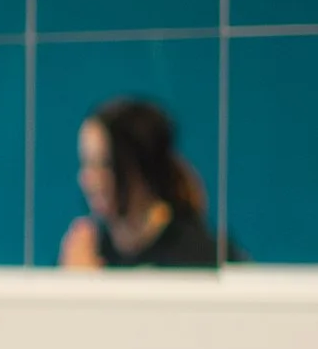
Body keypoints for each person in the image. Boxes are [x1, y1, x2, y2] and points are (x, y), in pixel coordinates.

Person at [58, 95, 230, 271]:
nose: (88, 180)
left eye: (105, 164)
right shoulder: (90, 250)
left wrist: (89, 288)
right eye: (86, 164)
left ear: (141, 169)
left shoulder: (201, 256)